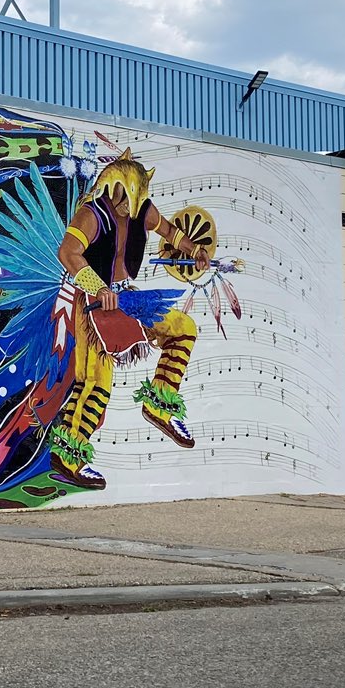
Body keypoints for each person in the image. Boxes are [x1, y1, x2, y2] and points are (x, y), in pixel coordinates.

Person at [53, 148, 209, 489]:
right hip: (94, 304)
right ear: (115, 187)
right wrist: (96, 286)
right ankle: (70, 455)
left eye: (138, 199)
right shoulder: (91, 216)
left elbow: (169, 231)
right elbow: (68, 252)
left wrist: (193, 250)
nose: (130, 207)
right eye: (127, 197)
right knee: (94, 382)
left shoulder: (143, 211)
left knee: (183, 328)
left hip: (130, 297)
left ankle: (160, 404)